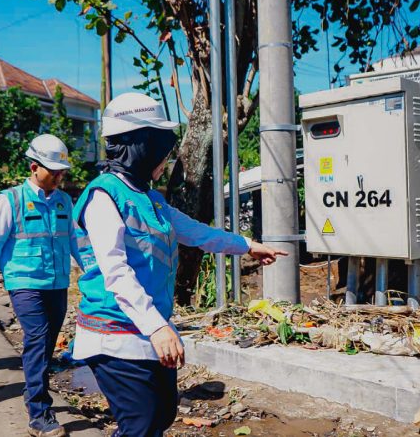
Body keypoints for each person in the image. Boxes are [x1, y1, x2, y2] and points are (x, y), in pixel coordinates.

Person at [72, 93, 288, 437]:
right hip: (113, 331)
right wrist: (157, 328)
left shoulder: (150, 199)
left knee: (161, 414)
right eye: (161, 150)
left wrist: (247, 245)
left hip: (149, 327)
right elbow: (116, 272)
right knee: (141, 423)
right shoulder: (104, 197)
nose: (166, 159)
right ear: (141, 145)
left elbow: (197, 233)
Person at [0, 134, 83, 437]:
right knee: (37, 339)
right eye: (54, 171)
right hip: (24, 283)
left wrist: (96, 275)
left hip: (58, 283)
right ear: (34, 167)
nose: (59, 176)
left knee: (47, 342)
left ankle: (33, 389)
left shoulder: (64, 200)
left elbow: (76, 243)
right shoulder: (9, 200)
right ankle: (39, 412)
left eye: (62, 171)